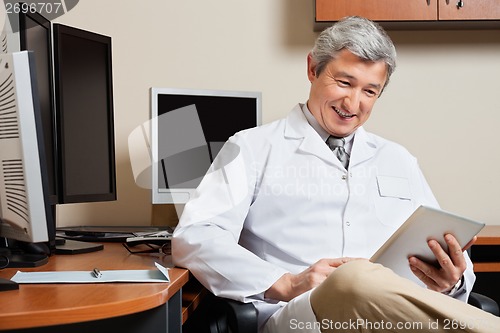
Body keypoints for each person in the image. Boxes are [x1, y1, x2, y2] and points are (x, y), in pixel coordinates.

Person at [173, 16, 500, 332]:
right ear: (313, 69)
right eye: (344, 82)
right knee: (353, 277)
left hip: (395, 319)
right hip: (304, 316)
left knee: (369, 278)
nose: (353, 102)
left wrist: (453, 281)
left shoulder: (398, 159)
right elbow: (196, 237)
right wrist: (287, 282)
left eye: (370, 91)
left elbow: (446, 253)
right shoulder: (251, 148)